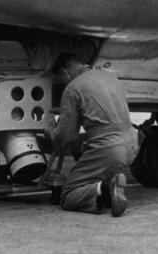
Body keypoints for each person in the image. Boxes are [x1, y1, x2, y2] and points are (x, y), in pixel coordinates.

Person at [45, 53, 138, 217]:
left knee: (68, 195)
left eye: (61, 79)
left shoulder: (72, 88)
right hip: (132, 143)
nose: (63, 82)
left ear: (64, 73)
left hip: (109, 148)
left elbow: (65, 136)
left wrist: (51, 131)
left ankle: (106, 188)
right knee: (80, 144)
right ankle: (108, 186)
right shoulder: (110, 76)